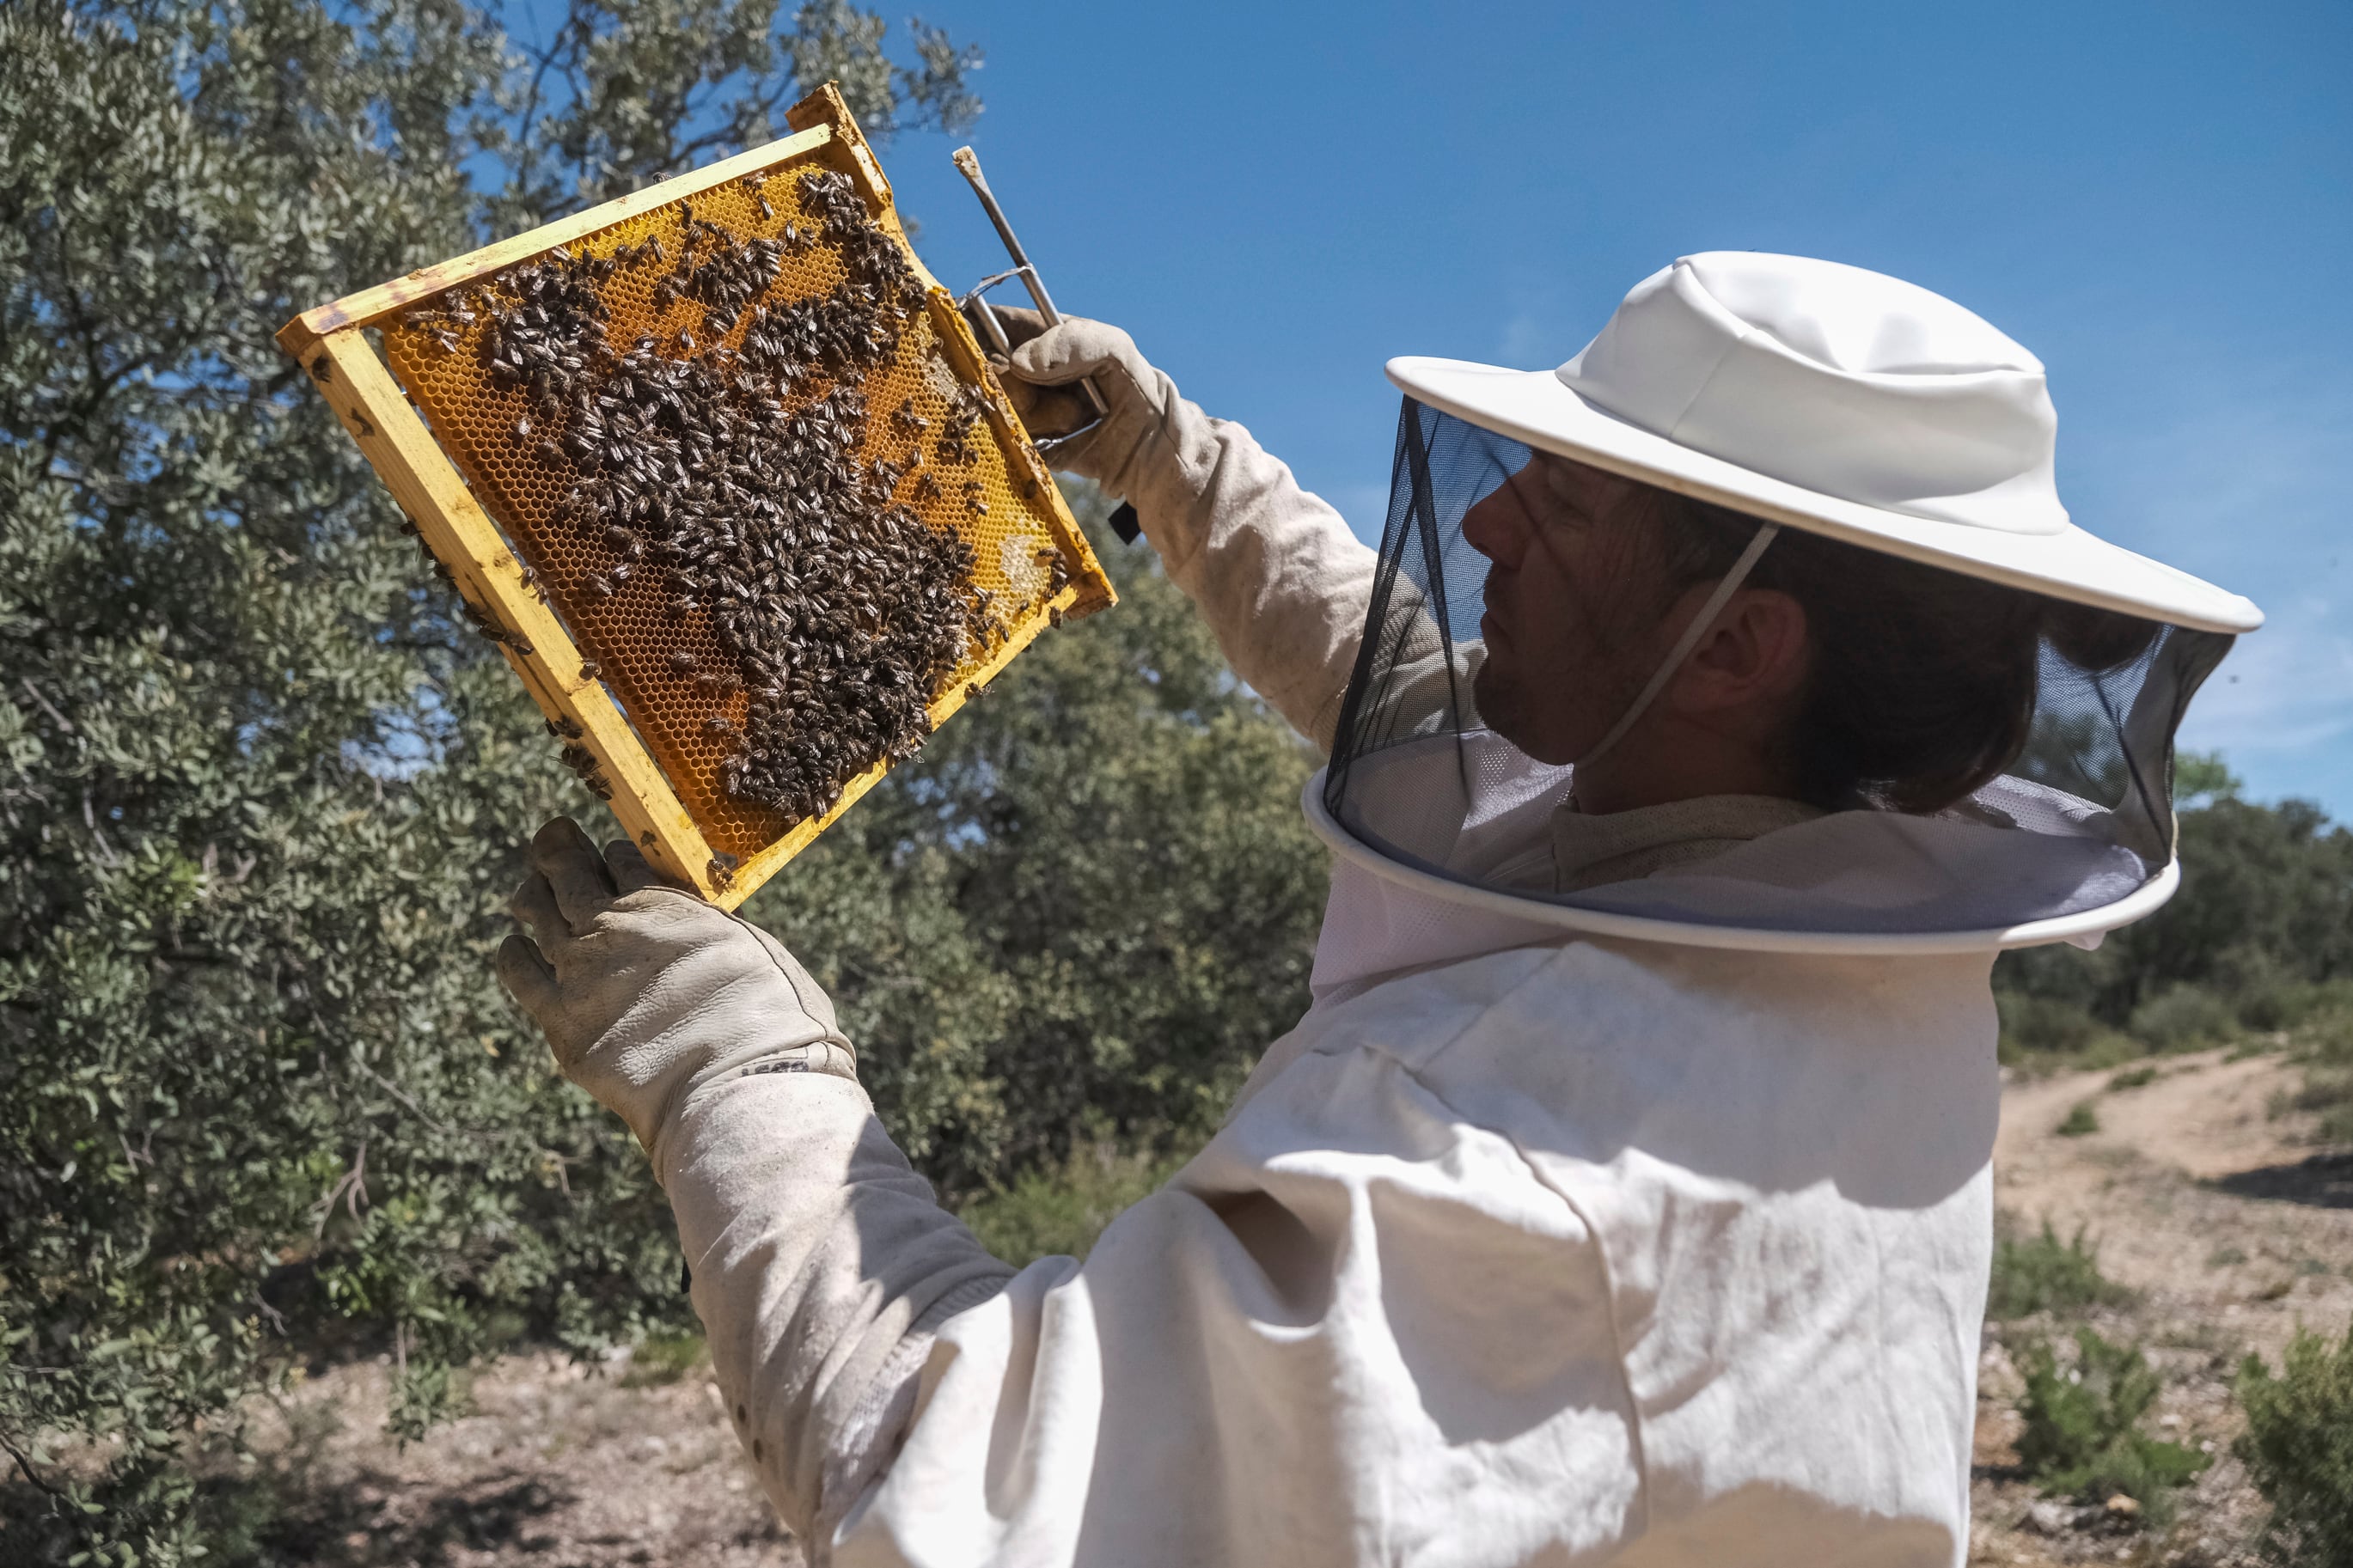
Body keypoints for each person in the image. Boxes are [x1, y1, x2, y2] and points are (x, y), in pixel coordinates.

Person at [498, 253, 2261, 1566]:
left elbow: (965, 1483)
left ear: (1733, 644)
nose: (1480, 516)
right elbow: (1427, 698)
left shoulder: (1525, 1154)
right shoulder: (1823, 869)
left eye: (1556, 503)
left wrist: (731, 1065)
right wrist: (1174, 464)